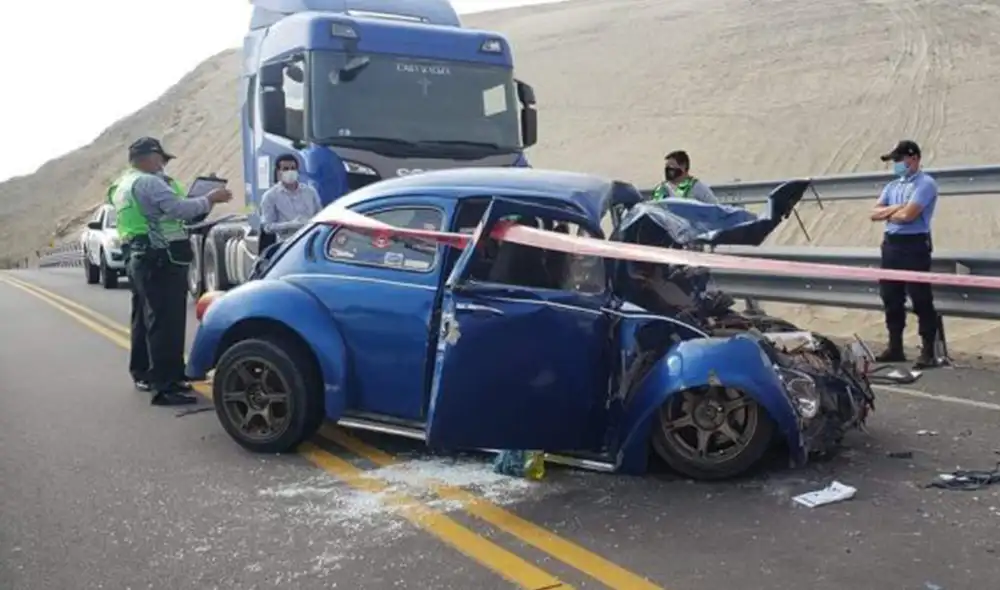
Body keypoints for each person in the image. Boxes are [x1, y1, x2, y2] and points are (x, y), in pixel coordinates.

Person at [111, 137, 232, 405]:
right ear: (150, 157)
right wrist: (210, 198)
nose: (163, 164)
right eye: (161, 158)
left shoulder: (123, 184)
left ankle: (146, 373)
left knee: (144, 318)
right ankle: (165, 385)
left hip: (138, 256)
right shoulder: (149, 182)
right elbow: (180, 210)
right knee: (166, 322)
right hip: (160, 258)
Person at [869, 140, 939, 368]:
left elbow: (909, 216)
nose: (897, 164)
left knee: (920, 297)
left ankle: (928, 350)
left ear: (914, 158)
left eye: (900, 159)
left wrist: (890, 212)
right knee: (891, 296)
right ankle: (895, 347)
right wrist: (896, 209)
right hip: (892, 245)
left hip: (914, 245)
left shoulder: (925, 184)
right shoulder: (892, 186)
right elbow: (874, 213)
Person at [259, 154, 322, 234]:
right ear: (278, 172)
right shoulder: (270, 196)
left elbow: (321, 216)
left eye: (293, 168)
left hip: (311, 236)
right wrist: (289, 225)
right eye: (285, 169)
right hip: (288, 240)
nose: (290, 172)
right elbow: (267, 227)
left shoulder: (310, 192)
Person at [651, 150, 720, 204]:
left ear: (683, 166)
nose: (668, 169)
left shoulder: (696, 187)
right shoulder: (661, 189)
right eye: (666, 166)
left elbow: (714, 208)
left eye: (671, 165)